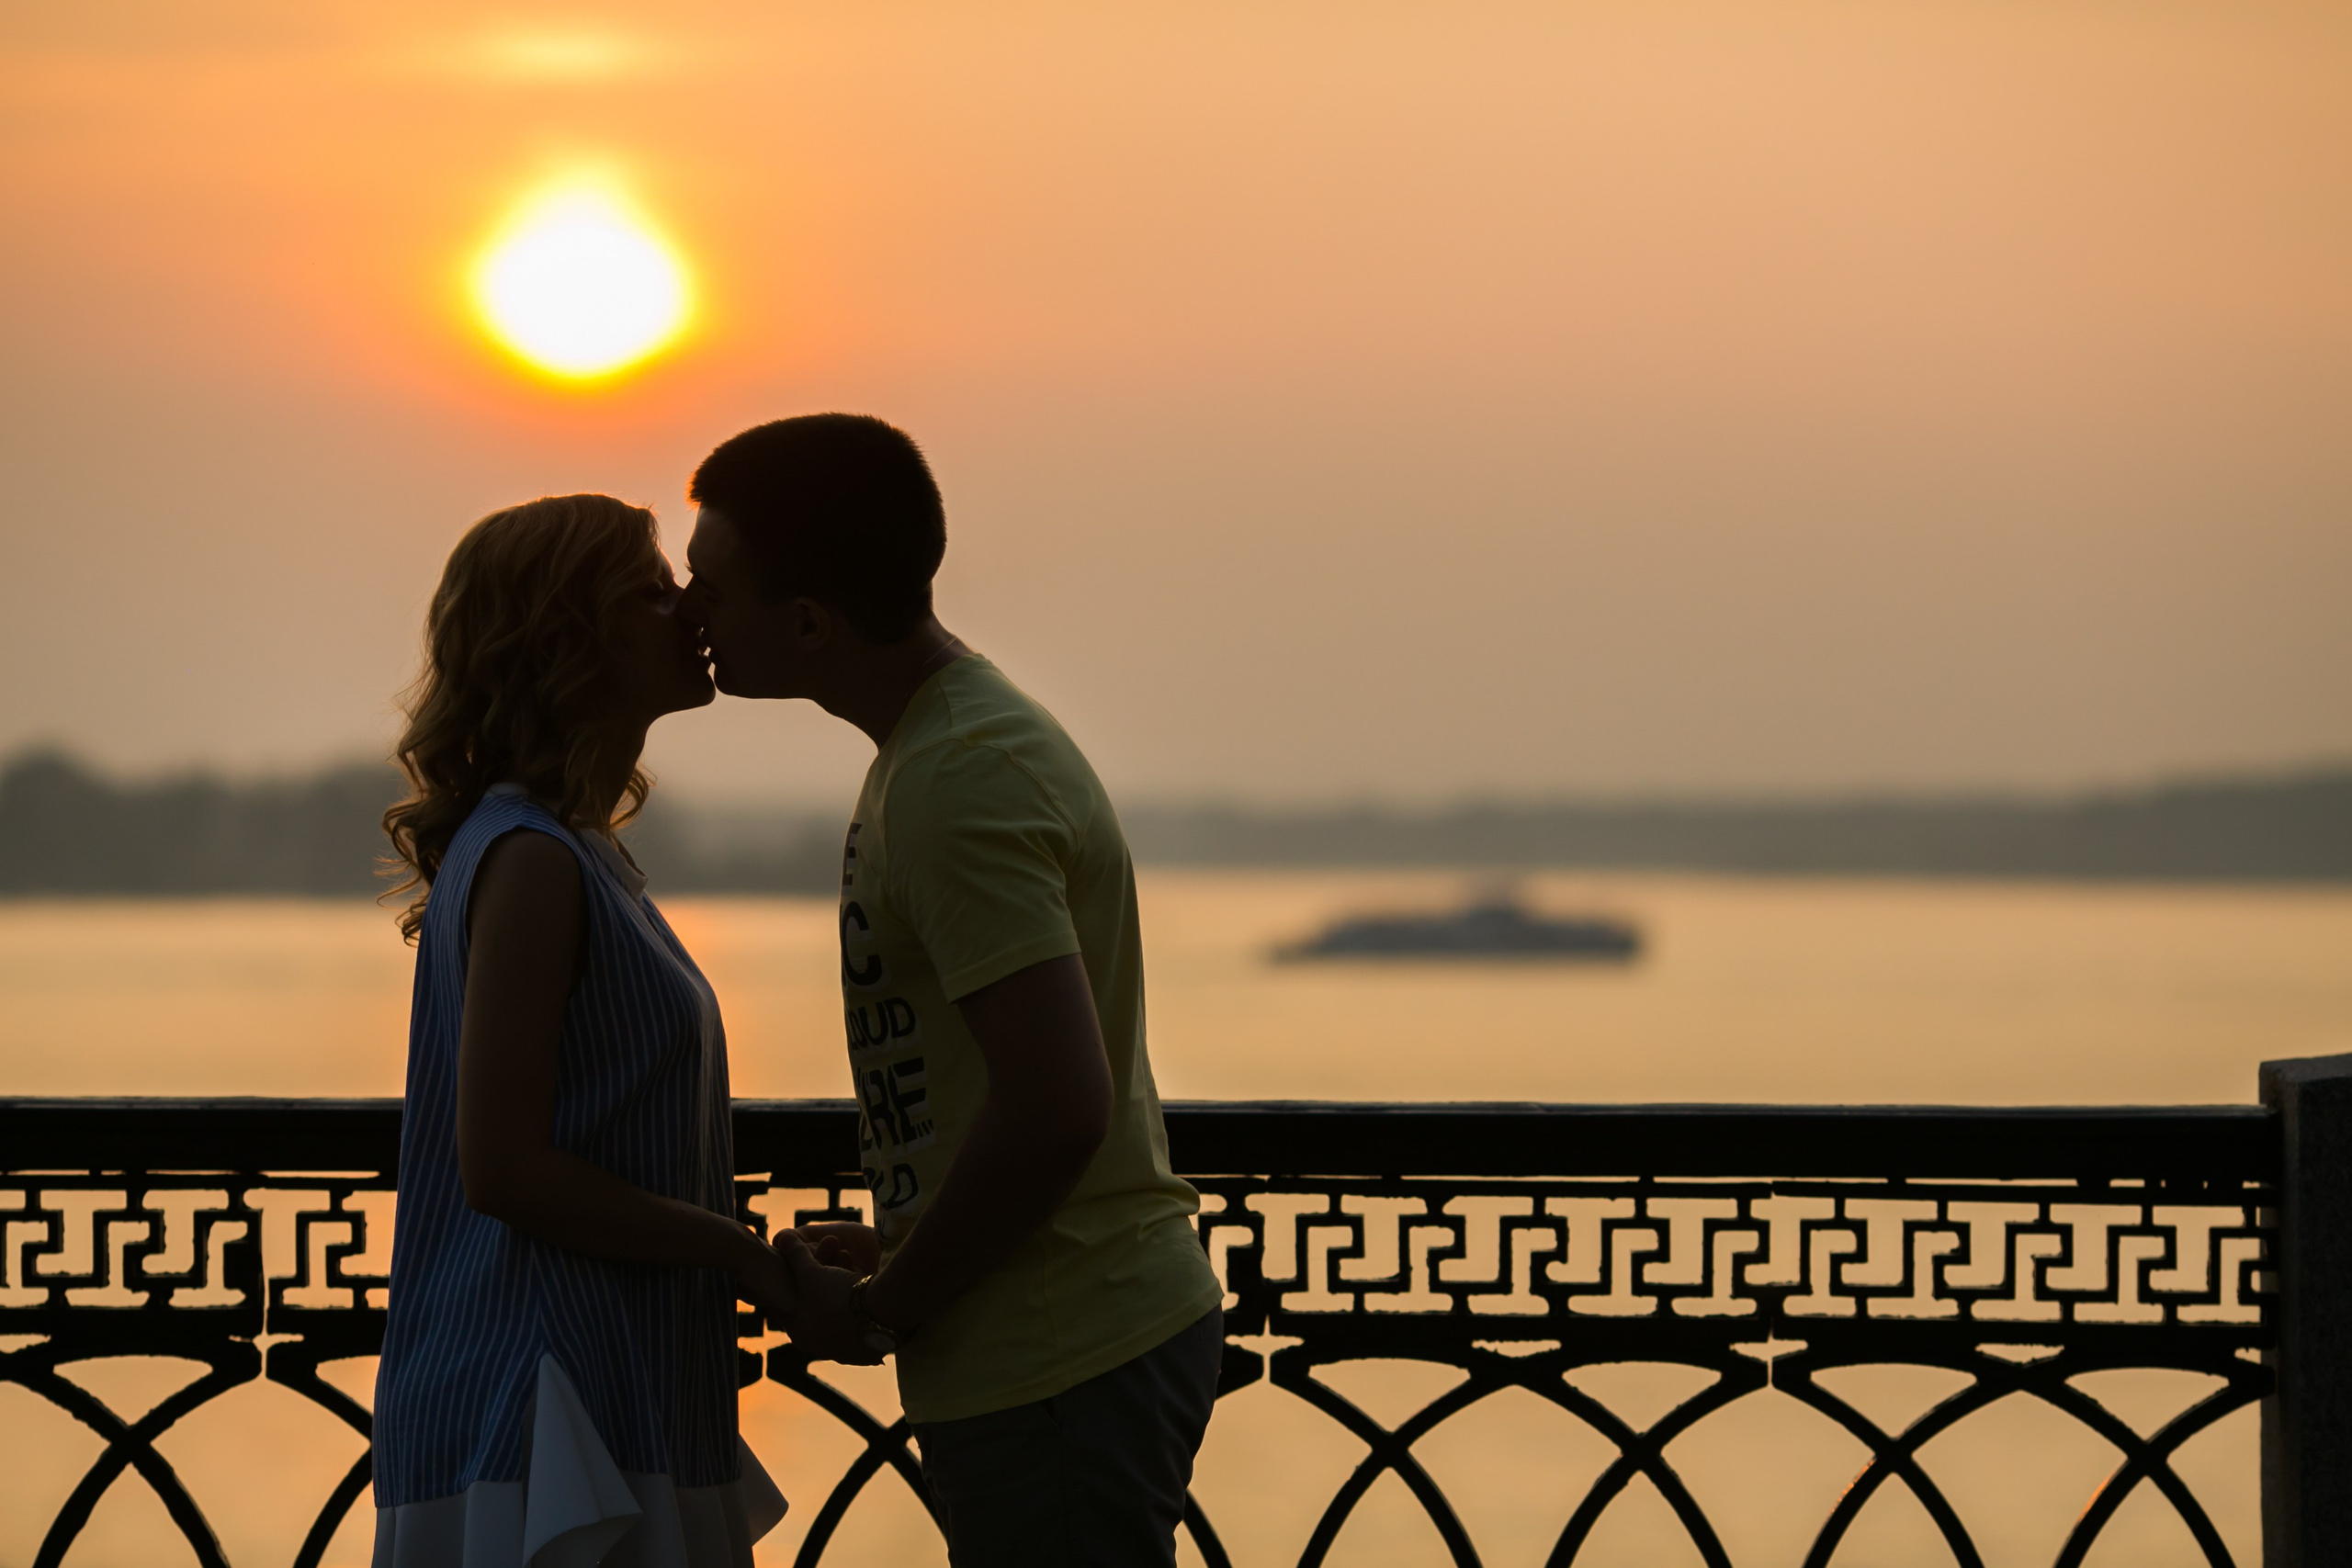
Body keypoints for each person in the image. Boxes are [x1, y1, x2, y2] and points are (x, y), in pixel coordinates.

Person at [680, 414, 1226, 1566]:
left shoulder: (957, 779)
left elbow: (1056, 1108)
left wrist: (885, 1308)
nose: (692, 618)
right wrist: (905, 1240)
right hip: (1040, 1338)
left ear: (810, 624)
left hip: (1060, 1350)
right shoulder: (934, 754)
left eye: (710, 590)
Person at [371, 494, 798, 1568]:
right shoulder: (531, 863)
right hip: (549, 1404)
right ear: (575, 633)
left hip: (621, 1388)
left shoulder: (569, 852)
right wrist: (740, 1258)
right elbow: (504, 1168)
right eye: (651, 591)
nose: (686, 605)